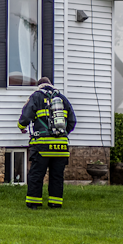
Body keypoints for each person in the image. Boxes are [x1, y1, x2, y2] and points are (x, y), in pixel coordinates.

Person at [17, 77, 77, 209]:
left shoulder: (36, 97)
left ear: (39, 86)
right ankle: (55, 203)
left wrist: (21, 126)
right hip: (61, 146)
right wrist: (61, 133)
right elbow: (72, 121)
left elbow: (26, 117)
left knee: (37, 174)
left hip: (42, 146)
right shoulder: (62, 99)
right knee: (57, 176)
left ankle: (34, 203)